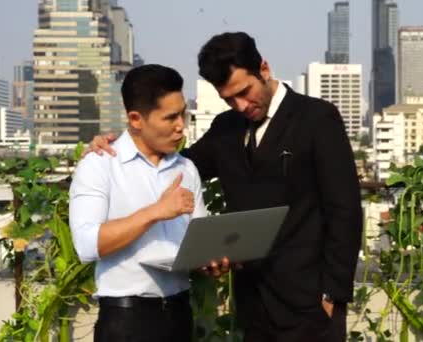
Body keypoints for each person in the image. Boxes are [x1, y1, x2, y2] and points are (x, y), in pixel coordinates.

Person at [88, 32, 362, 342]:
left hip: (311, 303)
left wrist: (332, 295)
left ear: (264, 69)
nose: (241, 105)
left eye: (245, 92)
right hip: (253, 305)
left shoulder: (317, 118)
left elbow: (346, 210)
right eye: (229, 98)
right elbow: (176, 169)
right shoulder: (225, 128)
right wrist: (119, 146)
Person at [69, 64, 208, 341]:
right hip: (126, 321)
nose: (181, 125)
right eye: (170, 117)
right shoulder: (99, 166)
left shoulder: (186, 168)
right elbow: (86, 244)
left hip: (180, 315)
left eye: (183, 113)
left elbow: (200, 238)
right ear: (135, 119)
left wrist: (211, 259)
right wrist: (156, 212)